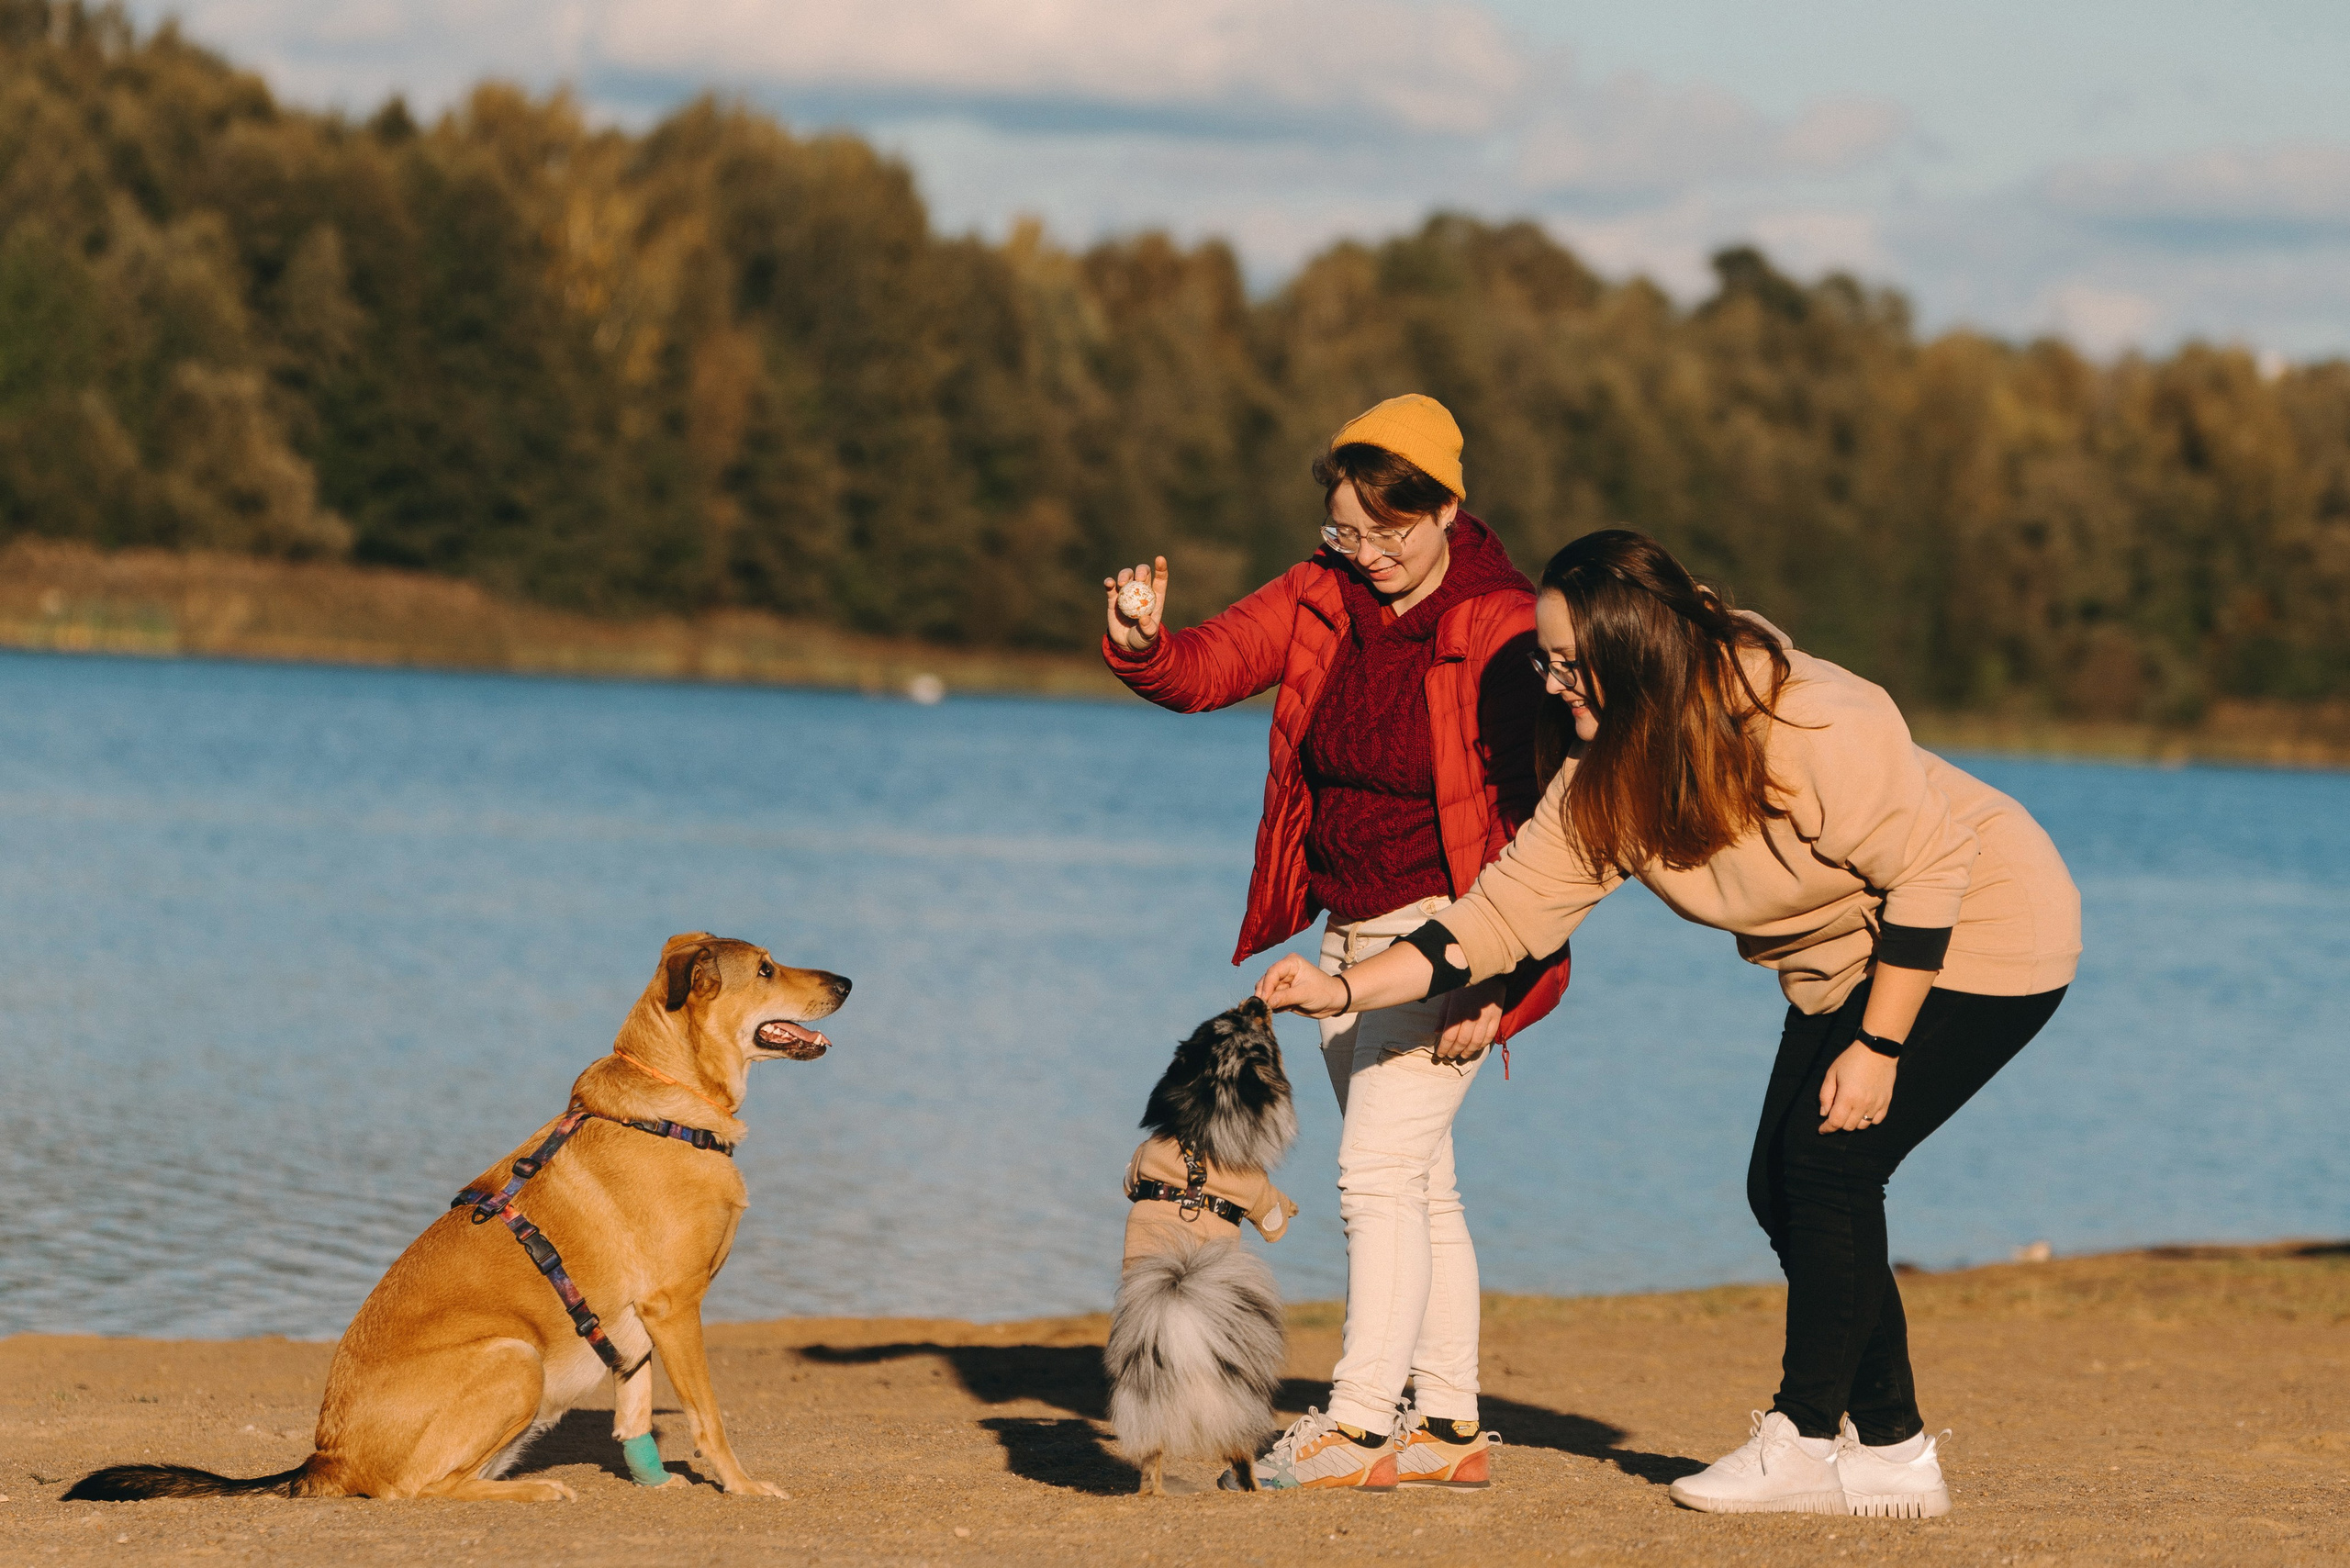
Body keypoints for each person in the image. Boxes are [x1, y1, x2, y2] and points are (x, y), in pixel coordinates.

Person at [1253, 527, 2080, 1518]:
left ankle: (1804, 1439)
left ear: (1634, 650)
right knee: (1781, 1185)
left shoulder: (1808, 718)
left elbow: (1931, 868)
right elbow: (1496, 918)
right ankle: (1896, 1451)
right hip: (1842, 962)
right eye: (1543, 660)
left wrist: (1877, 1047)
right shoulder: (1607, 772)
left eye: (1568, 662)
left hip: (1983, 923)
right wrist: (1342, 990)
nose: (1552, 681)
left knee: (1828, 1167)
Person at [1102, 394, 1571, 1491]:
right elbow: (1210, 666)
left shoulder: (1502, 625)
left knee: (1374, 1175)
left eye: (1387, 533)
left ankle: (1358, 1422)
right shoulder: (1325, 594)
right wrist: (1144, 645)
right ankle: (1448, 1426)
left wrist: (1507, 983)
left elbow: (1556, 829)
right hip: (1348, 932)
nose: (1366, 554)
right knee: (1421, 1181)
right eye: (1345, 531)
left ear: (1448, 507)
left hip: (1456, 935)